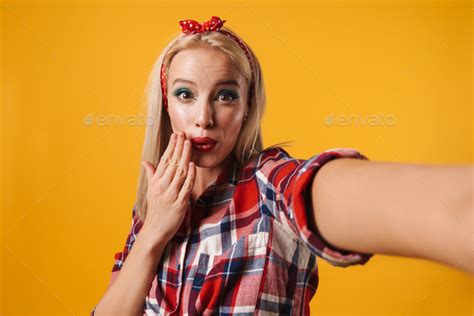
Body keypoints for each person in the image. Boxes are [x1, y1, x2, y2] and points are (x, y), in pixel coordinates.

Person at [91, 16, 472, 315]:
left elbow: (320, 189)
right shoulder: (151, 208)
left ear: (246, 108)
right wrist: (155, 229)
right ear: (166, 105)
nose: (203, 118)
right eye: (185, 94)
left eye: (225, 95)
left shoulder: (269, 184)